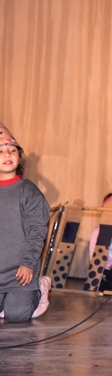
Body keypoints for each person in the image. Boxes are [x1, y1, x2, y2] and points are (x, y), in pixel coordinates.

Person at [0, 123, 51, 322]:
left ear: (19, 157)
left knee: (17, 315)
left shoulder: (29, 192)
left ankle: (40, 288)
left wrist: (28, 263)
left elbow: (37, 231)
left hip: (20, 271)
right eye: (1, 151)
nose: (7, 154)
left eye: (12, 150)